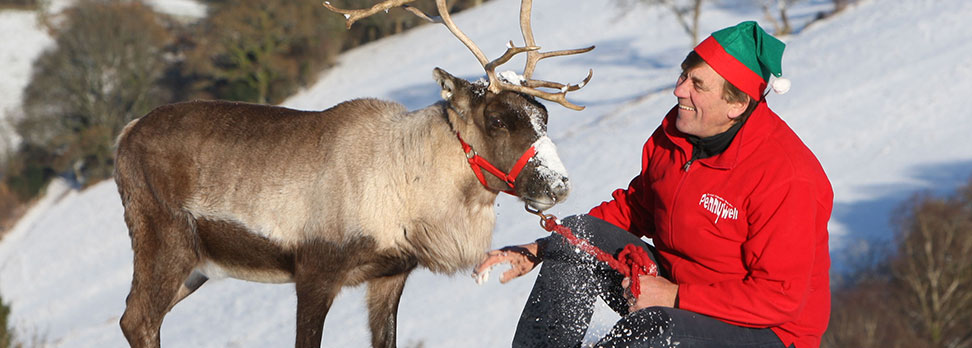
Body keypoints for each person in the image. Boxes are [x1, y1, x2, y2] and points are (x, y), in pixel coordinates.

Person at [475, 21, 832, 348]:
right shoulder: (676, 137)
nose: (679, 90)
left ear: (736, 104)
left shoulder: (786, 176)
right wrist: (542, 248)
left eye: (697, 85)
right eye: (683, 76)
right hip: (675, 291)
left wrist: (676, 297)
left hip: (766, 331)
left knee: (653, 331)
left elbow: (779, 298)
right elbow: (637, 207)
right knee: (578, 236)